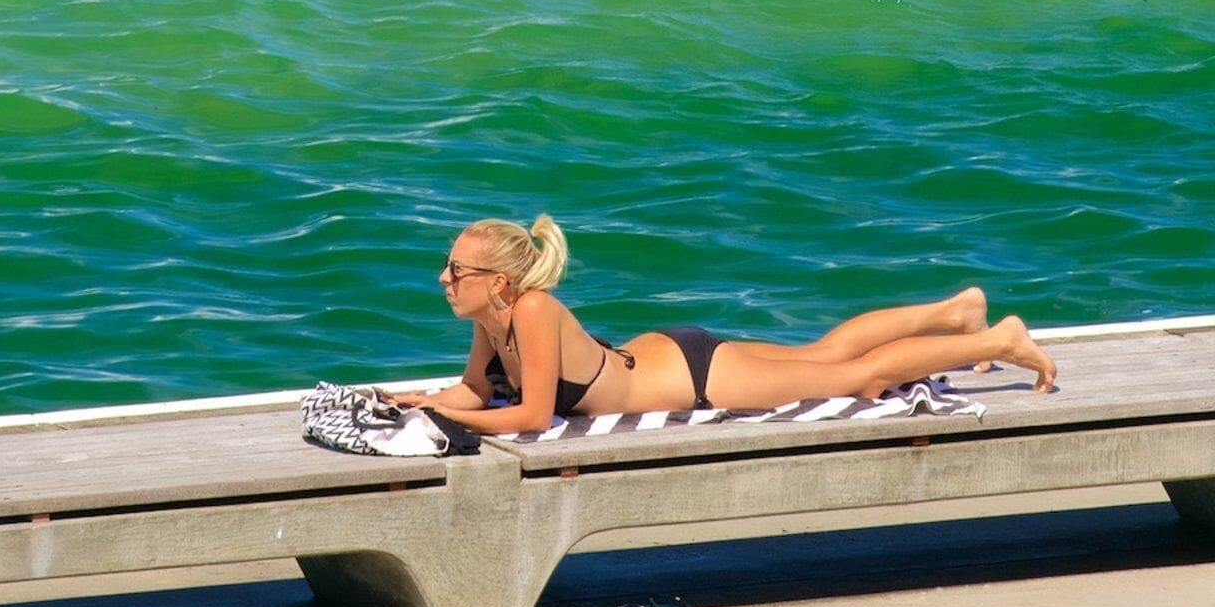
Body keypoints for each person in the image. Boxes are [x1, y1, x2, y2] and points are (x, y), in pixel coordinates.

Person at [393, 215, 1057, 437]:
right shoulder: (494, 318)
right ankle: (955, 311)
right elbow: (476, 391)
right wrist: (418, 402)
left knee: (856, 378)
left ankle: (998, 339)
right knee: (824, 353)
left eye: (456, 270)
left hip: (698, 378)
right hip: (669, 355)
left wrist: (447, 421)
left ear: (500, 282)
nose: (443, 278)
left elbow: (534, 415)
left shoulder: (534, 310)